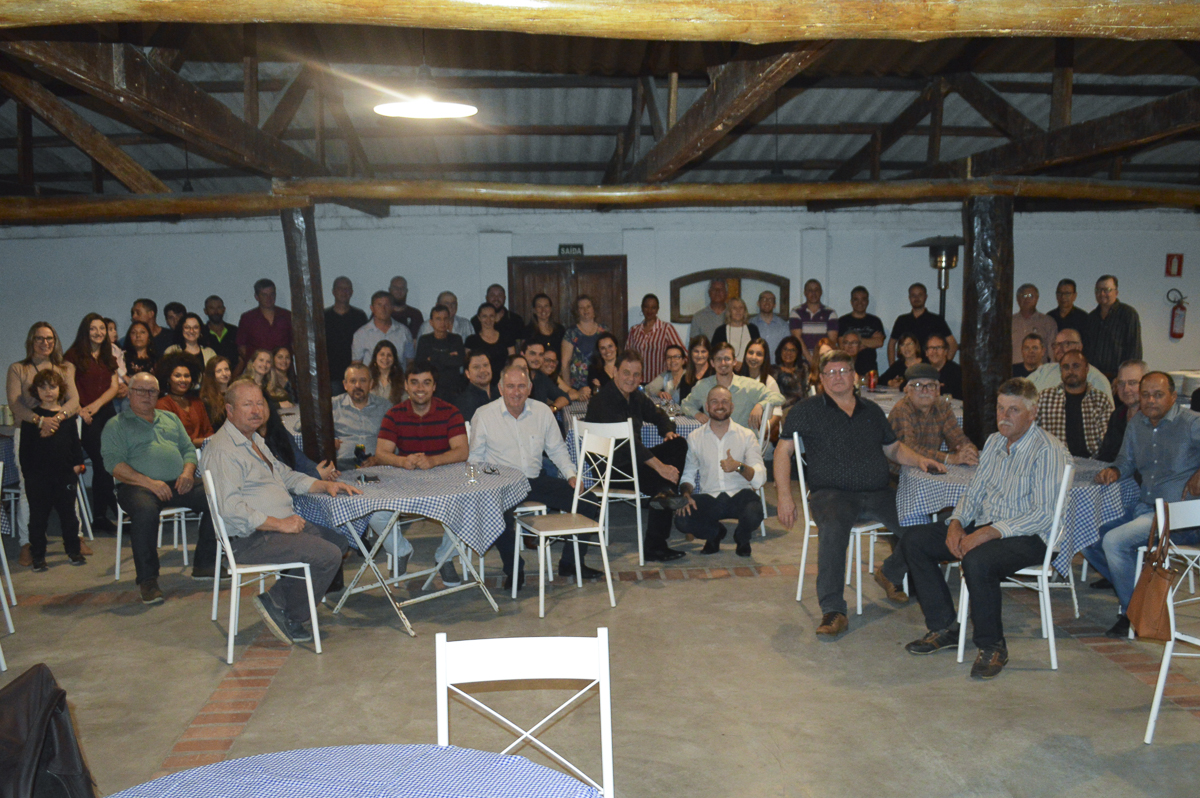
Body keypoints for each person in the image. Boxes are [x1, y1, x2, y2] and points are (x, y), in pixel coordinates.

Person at [900, 378, 1071, 679]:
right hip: (990, 524)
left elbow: (1044, 515)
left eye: (1014, 410)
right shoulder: (994, 442)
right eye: (1001, 408)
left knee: (978, 560)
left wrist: (989, 532)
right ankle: (944, 627)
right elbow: (974, 492)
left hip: (1033, 536)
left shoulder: (1048, 450)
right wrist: (956, 523)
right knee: (915, 539)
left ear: (1033, 413)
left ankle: (993, 646)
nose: (1004, 416)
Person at [774, 350, 945, 638]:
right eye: (830, 372)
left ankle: (890, 572)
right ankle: (834, 611)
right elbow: (783, 451)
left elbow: (893, 448)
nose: (837, 377)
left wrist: (919, 460)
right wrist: (784, 496)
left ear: (854, 376)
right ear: (821, 378)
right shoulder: (806, 410)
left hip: (877, 492)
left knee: (921, 527)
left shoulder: (872, 410)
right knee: (833, 529)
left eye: (843, 371)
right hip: (831, 494)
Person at [201, 380, 357, 644]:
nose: (256, 410)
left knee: (339, 542)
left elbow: (285, 474)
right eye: (247, 404)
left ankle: (278, 599)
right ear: (229, 410)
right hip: (250, 538)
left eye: (259, 403)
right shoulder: (223, 450)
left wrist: (324, 485)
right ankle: (292, 614)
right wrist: (279, 524)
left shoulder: (253, 440)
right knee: (328, 555)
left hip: (274, 529)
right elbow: (231, 509)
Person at [471, 363, 602, 589]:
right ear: (500, 388)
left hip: (535, 480)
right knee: (496, 515)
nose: (516, 392)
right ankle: (514, 569)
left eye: (521, 386)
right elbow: (475, 460)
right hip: (501, 482)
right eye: (510, 386)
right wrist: (485, 484)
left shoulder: (542, 412)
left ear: (530, 388)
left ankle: (571, 563)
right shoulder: (484, 415)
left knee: (588, 501)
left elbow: (557, 449)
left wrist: (571, 475)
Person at [1090, 372, 1200, 638]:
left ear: (1173, 396)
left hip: (1178, 516)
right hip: (1145, 507)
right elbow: (1126, 460)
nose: (1151, 400)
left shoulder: (1191, 423)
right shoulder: (1136, 423)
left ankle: (1132, 614)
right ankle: (1140, 596)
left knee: (1114, 541)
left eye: (1158, 395)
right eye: (1146, 395)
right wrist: (1115, 470)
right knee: (1087, 534)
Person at [102, 371, 221, 602]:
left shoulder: (170, 419)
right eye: (140, 390)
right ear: (129, 394)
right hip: (135, 486)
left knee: (216, 496)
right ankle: (147, 580)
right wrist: (149, 483)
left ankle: (205, 564)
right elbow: (113, 465)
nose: (147, 395)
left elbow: (188, 450)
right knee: (145, 511)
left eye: (152, 391)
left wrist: (188, 472)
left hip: (177, 482)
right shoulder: (116, 425)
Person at [366, 362, 469, 585]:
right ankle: (401, 550)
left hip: (443, 480)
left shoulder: (450, 412)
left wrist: (433, 460)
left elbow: (462, 451)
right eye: (414, 382)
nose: (420, 388)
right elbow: (381, 453)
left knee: (467, 507)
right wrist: (402, 461)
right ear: (406, 385)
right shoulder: (394, 414)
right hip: (405, 481)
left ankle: (445, 557)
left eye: (426, 383)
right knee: (374, 514)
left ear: (434, 387)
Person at [584, 350, 689, 563]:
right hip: (611, 470)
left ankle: (664, 493)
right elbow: (628, 444)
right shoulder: (603, 401)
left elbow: (659, 414)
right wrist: (660, 467)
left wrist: (667, 431)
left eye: (636, 374)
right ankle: (655, 544)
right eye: (626, 373)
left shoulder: (635, 397)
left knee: (678, 444)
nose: (631, 379)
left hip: (633, 462)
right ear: (615, 372)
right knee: (661, 480)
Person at [7, 322, 84, 566]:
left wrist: (56, 420)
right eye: (39, 338)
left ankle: (76, 539)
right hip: (30, 431)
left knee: (68, 495)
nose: (45, 343)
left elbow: (74, 400)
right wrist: (40, 421)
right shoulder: (18, 368)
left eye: (49, 338)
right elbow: (15, 404)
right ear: (31, 341)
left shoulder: (65, 367)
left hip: (61, 428)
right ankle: (27, 545)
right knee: (28, 493)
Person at [674, 386, 766, 557]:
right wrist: (686, 495)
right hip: (710, 497)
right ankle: (715, 533)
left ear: (732, 406)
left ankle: (742, 537)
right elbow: (688, 474)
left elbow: (760, 479)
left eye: (725, 402)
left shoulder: (746, 435)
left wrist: (738, 467)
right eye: (714, 402)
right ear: (707, 407)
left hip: (740, 495)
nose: (720, 406)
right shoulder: (695, 437)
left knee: (755, 511)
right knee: (682, 519)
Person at [19, 369, 86, 571]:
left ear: (60, 389)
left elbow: (75, 443)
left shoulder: (67, 417)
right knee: (38, 518)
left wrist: (78, 464)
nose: (48, 391)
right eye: (43, 387)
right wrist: (29, 475)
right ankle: (38, 555)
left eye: (53, 387)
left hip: (65, 475)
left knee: (69, 516)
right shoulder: (31, 419)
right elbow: (24, 450)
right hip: (38, 477)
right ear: (36, 391)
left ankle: (73, 550)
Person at [65, 313, 120, 532]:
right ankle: (106, 513)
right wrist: (81, 410)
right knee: (101, 460)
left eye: (102, 329)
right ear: (85, 331)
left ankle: (105, 514)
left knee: (110, 462)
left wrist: (95, 406)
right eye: (93, 329)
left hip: (105, 413)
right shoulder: (72, 356)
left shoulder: (109, 356)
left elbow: (114, 387)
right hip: (83, 417)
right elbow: (68, 388)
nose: (98, 333)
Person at [887, 363, 979, 467]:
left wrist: (968, 450)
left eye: (930, 385)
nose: (924, 391)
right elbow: (909, 449)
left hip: (930, 468)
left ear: (938, 390)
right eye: (918, 385)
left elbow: (957, 438)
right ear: (907, 390)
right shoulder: (901, 410)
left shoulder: (942, 407)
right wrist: (949, 458)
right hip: (901, 472)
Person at [682, 343, 784, 430]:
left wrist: (760, 405)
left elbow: (779, 397)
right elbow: (686, 404)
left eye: (727, 359)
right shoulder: (703, 386)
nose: (723, 363)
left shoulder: (749, 385)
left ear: (734, 361)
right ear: (712, 363)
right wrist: (697, 414)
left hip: (744, 443)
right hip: (714, 440)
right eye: (719, 359)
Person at [1034, 351, 1112, 458]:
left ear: (1087, 369)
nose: (1070, 371)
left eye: (1076, 366)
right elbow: (1032, 433)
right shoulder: (1044, 398)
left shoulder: (1100, 400)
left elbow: (1107, 440)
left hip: (1091, 462)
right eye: (1066, 367)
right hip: (1054, 460)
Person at [331, 364, 390, 470]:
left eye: (363, 381)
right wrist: (328, 438)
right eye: (353, 381)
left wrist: (379, 459)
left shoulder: (385, 407)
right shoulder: (332, 405)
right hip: (341, 466)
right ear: (345, 384)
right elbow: (306, 427)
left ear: (371, 384)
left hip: (377, 465)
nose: (358, 385)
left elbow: (396, 439)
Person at [1027, 328, 1113, 401]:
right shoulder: (1044, 371)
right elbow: (1022, 392)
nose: (1059, 349)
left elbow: (1108, 413)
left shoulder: (1096, 378)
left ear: (1079, 347)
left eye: (1066, 344)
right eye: (1056, 345)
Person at [1084, 274, 1142, 380]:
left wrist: (1124, 378)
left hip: (1118, 378)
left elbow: (1134, 349)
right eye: (1098, 290)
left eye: (1107, 290)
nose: (1102, 294)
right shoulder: (1091, 318)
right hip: (1093, 377)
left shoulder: (1128, 314)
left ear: (1116, 292)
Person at [888, 283, 956, 365]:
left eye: (920, 295)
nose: (916, 298)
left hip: (929, 366)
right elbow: (891, 344)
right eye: (913, 295)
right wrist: (893, 367)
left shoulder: (936, 320)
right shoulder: (902, 320)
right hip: (906, 366)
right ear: (909, 298)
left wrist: (943, 366)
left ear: (925, 297)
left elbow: (952, 344)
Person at [155, 355, 214, 446]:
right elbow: (171, 438)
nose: (183, 380)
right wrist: (202, 442)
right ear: (168, 379)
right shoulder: (162, 404)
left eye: (187, 376)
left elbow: (208, 431)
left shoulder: (197, 402)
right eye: (177, 376)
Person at [626, 293, 684, 384]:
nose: (649, 310)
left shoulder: (666, 329)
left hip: (659, 382)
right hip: (637, 381)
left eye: (653, 307)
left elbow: (682, 353)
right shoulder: (634, 330)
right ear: (642, 308)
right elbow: (627, 355)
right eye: (646, 307)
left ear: (657, 309)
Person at [324, 277, 368, 395]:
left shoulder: (359, 316)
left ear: (352, 292)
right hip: (331, 375)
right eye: (340, 288)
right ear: (333, 291)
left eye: (347, 289)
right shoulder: (324, 316)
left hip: (355, 374)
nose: (344, 292)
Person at [1097, 359, 1146, 463]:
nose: (1126, 389)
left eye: (1132, 383)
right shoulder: (1117, 415)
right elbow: (1105, 455)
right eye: (1121, 383)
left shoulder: (1153, 418)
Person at [416, 304, 467, 399]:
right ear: (431, 322)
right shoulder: (424, 340)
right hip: (431, 389)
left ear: (449, 321)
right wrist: (448, 357)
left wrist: (433, 358)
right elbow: (421, 365)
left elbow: (460, 361)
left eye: (445, 319)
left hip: (453, 389)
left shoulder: (456, 339)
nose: (442, 322)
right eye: (438, 319)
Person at [352, 290, 415, 367]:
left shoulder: (404, 332)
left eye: (387, 305)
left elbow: (410, 362)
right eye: (379, 305)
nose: (383, 309)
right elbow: (356, 365)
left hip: (398, 374)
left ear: (392, 307)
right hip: (371, 374)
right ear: (372, 308)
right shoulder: (361, 334)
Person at [236, 279, 292, 362]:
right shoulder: (247, 318)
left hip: (283, 367)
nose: (269, 298)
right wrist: (255, 364)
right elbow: (241, 346)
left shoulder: (287, 316)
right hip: (258, 368)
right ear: (256, 297)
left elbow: (295, 344)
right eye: (264, 295)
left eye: (272, 294)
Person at [837, 286, 886, 377]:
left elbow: (879, 342)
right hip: (847, 369)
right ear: (851, 302)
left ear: (867, 301)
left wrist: (853, 343)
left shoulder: (875, 321)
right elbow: (842, 345)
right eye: (856, 299)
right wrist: (869, 341)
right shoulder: (843, 321)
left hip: (869, 370)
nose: (860, 303)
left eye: (863, 299)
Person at [562, 294, 607, 391]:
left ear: (594, 309)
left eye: (588, 306)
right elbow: (565, 363)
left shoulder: (604, 331)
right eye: (581, 308)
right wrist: (569, 390)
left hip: (601, 385)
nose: (585, 310)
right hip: (578, 388)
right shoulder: (571, 333)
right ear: (577, 311)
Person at [466, 303, 514, 388]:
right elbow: (468, 365)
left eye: (491, 316)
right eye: (484, 316)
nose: (488, 320)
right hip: (480, 384)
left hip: (504, 384)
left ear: (496, 317)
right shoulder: (471, 341)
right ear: (479, 318)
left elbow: (512, 362)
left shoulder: (506, 337)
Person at [1011, 284, 1057, 365]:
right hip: (1013, 370)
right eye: (1024, 295)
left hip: (1040, 371)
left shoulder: (1047, 322)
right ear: (1017, 299)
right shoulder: (1009, 322)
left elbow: (1053, 352)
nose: (1027, 299)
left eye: (1031, 296)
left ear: (1037, 298)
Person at [789, 279, 837, 356]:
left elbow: (832, 341)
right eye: (810, 290)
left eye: (816, 290)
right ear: (805, 293)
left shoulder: (831, 313)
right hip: (802, 360)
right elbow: (797, 339)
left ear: (821, 292)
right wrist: (811, 360)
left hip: (823, 359)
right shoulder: (796, 312)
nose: (813, 293)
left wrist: (819, 360)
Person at [163, 312, 217, 376]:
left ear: (200, 330)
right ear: (181, 330)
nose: (191, 331)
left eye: (195, 327)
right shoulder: (171, 351)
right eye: (187, 327)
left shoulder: (210, 353)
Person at [472, 284, 524, 348]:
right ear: (486, 298)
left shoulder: (516, 320)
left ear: (505, 298)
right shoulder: (476, 321)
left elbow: (521, 344)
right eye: (492, 295)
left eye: (500, 295)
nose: (496, 299)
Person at [521, 340, 569, 411]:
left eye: (540, 355)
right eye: (533, 354)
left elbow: (565, 397)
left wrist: (552, 408)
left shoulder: (541, 378)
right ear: (522, 354)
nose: (537, 359)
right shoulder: (513, 377)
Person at [712, 297, 760, 366]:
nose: (738, 311)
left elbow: (758, 351)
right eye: (734, 308)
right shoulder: (720, 331)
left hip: (750, 368)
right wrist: (734, 364)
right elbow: (715, 354)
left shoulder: (753, 329)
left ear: (745, 311)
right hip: (726, 368)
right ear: (729, 311)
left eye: (741, 308)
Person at [453, 351, 497, 422]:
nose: (482, 370)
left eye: (485, 365)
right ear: (467, 373)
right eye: (476, 367)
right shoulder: (464, 403)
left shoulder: (501, 394)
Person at [202, 295, 239, 370]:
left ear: (224, 309)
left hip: (234, 375)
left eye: (219, 308)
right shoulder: (201, 333)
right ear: (205, 311)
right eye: (212, 308)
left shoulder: (234, 331)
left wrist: (234, 376)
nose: (216, 312)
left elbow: (241, 358)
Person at [751, 290, 791, 357]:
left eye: (770, 300)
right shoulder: (750, 324)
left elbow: (787, 347)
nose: (767, 302)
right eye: (764, 299)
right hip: (756, 362)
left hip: (777, 363)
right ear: (758, 303)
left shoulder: (784, 326)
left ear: (774, 305)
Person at [924, 334, 962, 400]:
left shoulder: (957, 372)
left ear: (945, 351)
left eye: (938, 347)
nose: (934, 351)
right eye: (931, 348)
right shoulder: (922, 371)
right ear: (926, 353)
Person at [688, 278, 727, 343]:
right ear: (709, 293)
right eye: (714, 289)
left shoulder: (734, 314)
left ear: (726, 293)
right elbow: (693, 344)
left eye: (721, 289)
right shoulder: (698, 317)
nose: (717, 292)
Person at [199, 356, 233, 430]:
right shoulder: (207, 399)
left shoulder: (235, 393)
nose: (224, 373)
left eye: (226, 369)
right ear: (211, 374)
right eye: (219, 371)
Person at [772, 337, 808, 407]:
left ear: (798, 353)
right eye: (785, 349)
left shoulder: (803, 368)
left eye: (793, 350)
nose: (788, 353)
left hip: (803, 407)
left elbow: (807, 390)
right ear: (780, 351)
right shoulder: (774, 371)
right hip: (783, 408)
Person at [368, 340, 405, 406]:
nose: (385, 358)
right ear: (375, 357)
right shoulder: (367, 378)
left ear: (394, 359)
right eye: (382, 354)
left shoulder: (401, 381)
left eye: (389, 355)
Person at [679, 335, 711, 403]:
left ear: (709, 353)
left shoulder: (715, 374)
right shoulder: (685, 378)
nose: (699, 355)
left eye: (703, 351)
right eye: (696, 351)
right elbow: (683, 403)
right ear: (691, 353)